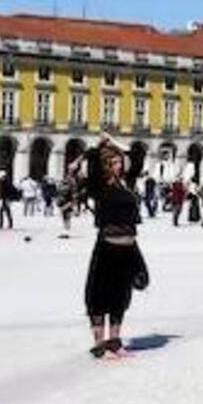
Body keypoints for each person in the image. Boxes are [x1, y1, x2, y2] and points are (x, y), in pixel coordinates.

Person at [81, 138, 146, 360]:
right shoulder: (99, 186)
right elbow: (91, 164)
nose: (122, 165)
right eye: (117, 162)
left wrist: (118, 144)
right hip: (107, 247)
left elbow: (137, 155)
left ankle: (115, 341)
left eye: (121, 161)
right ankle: (99, 343)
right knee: (100, 294)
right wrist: (99, 146)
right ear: (107, 165)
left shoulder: (127, 183)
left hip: (129, 247)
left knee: (121, 295)